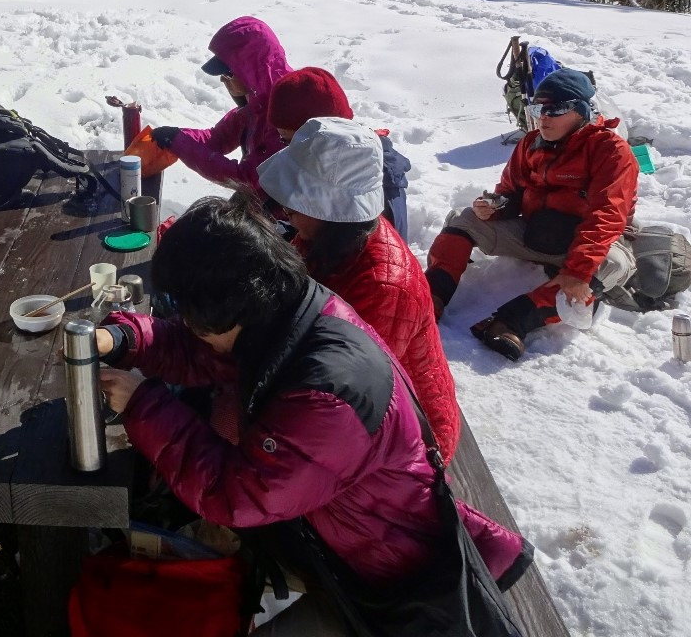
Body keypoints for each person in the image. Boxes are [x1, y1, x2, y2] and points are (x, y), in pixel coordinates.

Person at [93, 196, 531, 630]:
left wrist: (143, 404)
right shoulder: (286, 308)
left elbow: (236, 495)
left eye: (193, 317)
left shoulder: (327, 394)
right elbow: (200, 351)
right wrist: (124, 339)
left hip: (391, 589)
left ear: (228, 312)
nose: (189, 328)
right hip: (332, 537)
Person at [257, 117, 460, 462]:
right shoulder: (333, 237)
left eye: (297, 199)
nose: (285, 210)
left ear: (331, 208)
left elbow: (350, 391)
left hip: (408, 441)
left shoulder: (384, 287)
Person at [425, 68, 638, 360]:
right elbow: (510, 192)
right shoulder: (531, 143)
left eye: (555, 109)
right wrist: (495, 207)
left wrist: (577, 270)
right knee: (464, 220)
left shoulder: (611, 150)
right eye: (538, 108)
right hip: (536, 231)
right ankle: (428, 299)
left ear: (580, 111)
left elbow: (607, 215)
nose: (543, 117)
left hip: (582, 242)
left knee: (610, 265)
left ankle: (513, 321)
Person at [267, 66, 412, 240]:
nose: (287, 151)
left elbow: (367, 250)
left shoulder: (370, 183)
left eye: (290, 141)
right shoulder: (325, 166)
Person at [150, 16, 292, 192]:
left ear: (251, 69)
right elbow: (217, 139)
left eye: (228, 73)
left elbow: (248, 179)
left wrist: (179, 143)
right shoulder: (256, 104)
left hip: (287, 215)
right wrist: (176, 136)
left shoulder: (285, 114)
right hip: (263, 203)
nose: (223, 79)